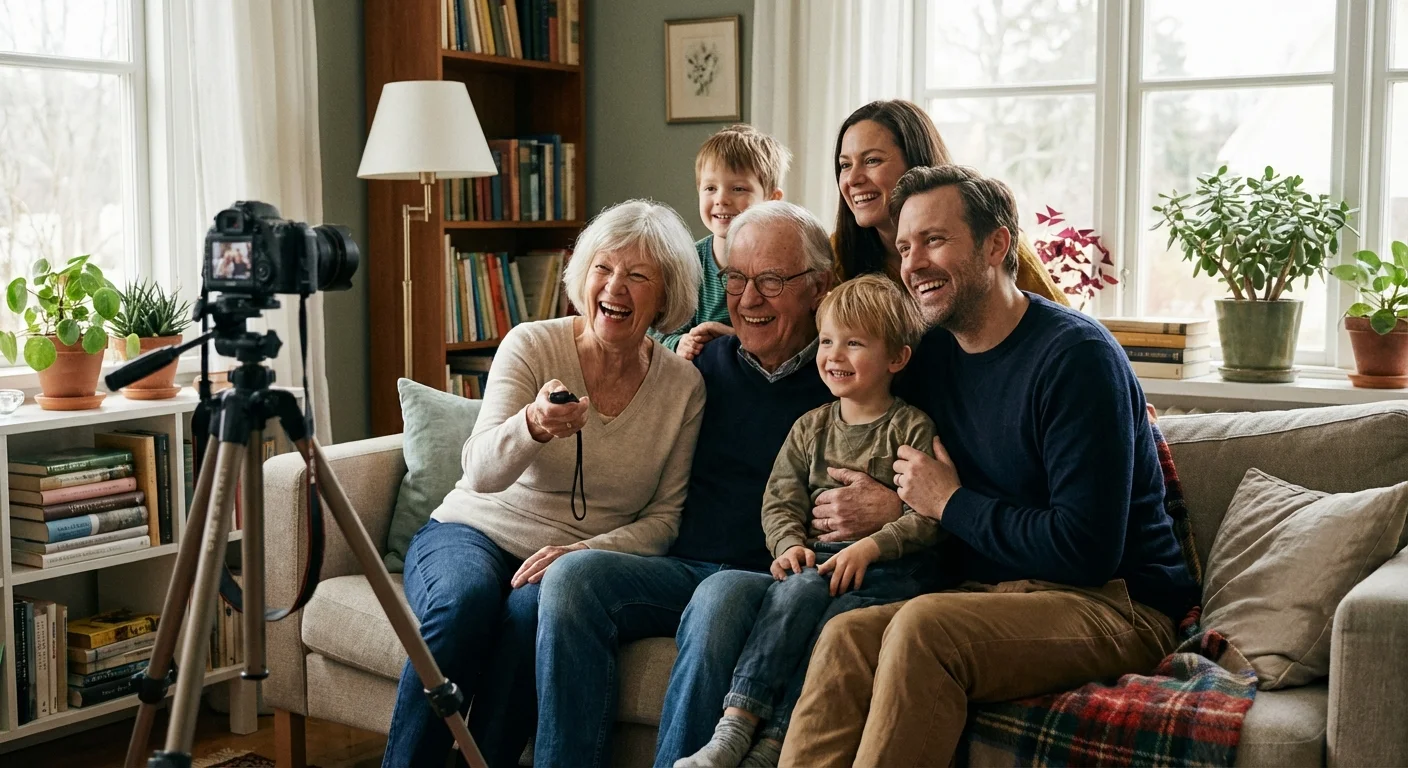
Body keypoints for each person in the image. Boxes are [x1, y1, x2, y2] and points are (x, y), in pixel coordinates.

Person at [779, 165, 1200, 767]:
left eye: (935, 240)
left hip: (1116, 602)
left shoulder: (1075, 358)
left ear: (997, 245)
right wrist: (714, 341)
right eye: (904, 246)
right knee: (847, 635)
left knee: (924, 629)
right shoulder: (933, 358)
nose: (914, 262)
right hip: (991, 593)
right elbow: (848, 382)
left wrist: (949, 502)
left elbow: (1086, 550)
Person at [382, 199, 708, 768]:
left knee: (529, 618)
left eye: (638, 276)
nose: (615, 287)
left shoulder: (684, 386)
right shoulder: (532, 344)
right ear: (583, 277)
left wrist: (580, 554)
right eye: (603, 269)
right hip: (473, 530)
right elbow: (478, 472)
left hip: (571, 562)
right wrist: (531, 425)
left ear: (666, 296)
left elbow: (664, 521)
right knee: (465, 604)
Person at [533, 201, 838, 768]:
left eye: (771, 281)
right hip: (682, 565)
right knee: (574, 576)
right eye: (738, 279)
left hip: (767, 577)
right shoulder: (702, 365)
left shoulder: (842, 379)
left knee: (717, 597)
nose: (749, 299)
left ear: (818, 286)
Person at [675, 275, 953, 768]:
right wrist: (786, 544)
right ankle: (735, 727)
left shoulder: (912, 427)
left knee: (835, 629)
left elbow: (928, 515)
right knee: (796, 590)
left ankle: (775, 744)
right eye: (826, 340)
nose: (834, 355)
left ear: (897, 359)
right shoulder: (811, 426)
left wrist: (871, 547)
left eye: (854, 343)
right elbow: (780, 499)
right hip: (818, 564)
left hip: (892, 570)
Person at [830, 99, 1064, 299]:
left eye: (872, 161)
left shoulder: (991, 241)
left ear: (916, 164)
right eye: (845, 165)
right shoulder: (836, 254)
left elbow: (1061, 328)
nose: (852, 179)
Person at [652, 124, 791, 359]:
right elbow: (654, 333)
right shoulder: (688, 264)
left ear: (772, 199)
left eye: (738, 188)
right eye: (710, 188)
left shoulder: (786, 265)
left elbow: (791, 336)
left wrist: (734, 338)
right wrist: (679, 343)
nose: (721, 199)